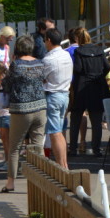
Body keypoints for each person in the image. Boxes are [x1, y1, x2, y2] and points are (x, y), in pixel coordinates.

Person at [1, 36, 46, 193]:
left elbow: (6, 85)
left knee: (15, 147)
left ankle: (10, 183)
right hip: (40, 107)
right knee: (37, 146)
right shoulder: (40, 63)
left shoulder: (16, 65)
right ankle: (40, 181)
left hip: (21, 109)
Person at [71, 31, 110, 157]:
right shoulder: (99, 50)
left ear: (78, 39)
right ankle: (96, 149)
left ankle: (73, 148)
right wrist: (99, 75)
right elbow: (107, 66)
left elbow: (77, 68)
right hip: (97, 86)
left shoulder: (79, 51)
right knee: (96, 120)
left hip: (82, 86)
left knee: (76, 119)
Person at [43, 28, 73, 169]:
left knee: (55, 133)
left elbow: (41, 79)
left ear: (49, 40)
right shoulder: (66, 55)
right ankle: (63, 163)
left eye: (45, 40)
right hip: (64, 95)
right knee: (59, 132)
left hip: (53, 95)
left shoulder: (48, 58)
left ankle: (62, 165)